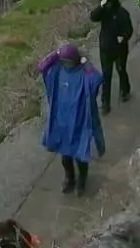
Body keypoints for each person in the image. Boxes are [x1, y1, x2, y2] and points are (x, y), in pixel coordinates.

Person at [37, 42, 106, 195]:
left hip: (79, 122)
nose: (66, 65)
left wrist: (85, 62)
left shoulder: (83, 74)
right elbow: (41, 67)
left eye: (68, 62)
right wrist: (56, 53)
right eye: (64, 61)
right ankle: (70, 178)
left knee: (80, 156)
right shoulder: (57, 71)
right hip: (62, 122)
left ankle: (82, 180)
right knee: (65, 157)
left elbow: (97, 79)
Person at [88, 0, 134, 113]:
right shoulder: (103, 13)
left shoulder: (122, 13)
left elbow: (129, 30)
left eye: (108, 2)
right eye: (105, 3)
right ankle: (105, 102)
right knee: (106, 75)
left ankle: (125, 90)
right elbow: (93, 17)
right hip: (106, 49)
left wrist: (124, 37)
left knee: (121, 70)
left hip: (120, 49)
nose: (107, 5)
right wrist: (100, 6)